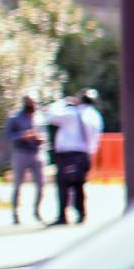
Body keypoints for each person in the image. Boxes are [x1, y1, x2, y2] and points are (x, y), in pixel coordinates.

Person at [44, 89, 104, 226]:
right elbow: (95, 140)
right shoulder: (96, 116)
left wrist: (64, 101)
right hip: (84, 155)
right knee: (79, 186)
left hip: (68, 155)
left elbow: (50, 115)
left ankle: (62, 216)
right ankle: (81, 214)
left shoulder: (71, 113)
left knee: (63, 186)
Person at [1, 95, 45, 225]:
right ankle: (15, 213)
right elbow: (7, 136)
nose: (33, 105)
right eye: (31, 102)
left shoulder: (39, 117)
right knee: (18, 184)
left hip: (36, 152)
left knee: (41, 184)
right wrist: (22, 135)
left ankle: (37, 211)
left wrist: (40, 138)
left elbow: (45, 134)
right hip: (21, 153)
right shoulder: (14, 117)